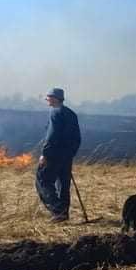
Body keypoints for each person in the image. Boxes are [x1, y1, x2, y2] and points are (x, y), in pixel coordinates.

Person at [36, 88, 82, 222]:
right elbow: (77, 137)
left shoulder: (55, 112)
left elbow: (52, 136)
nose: (47, 100)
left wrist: (45, 154)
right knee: (63, 184)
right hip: (66, 156)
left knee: (43, 180)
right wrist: (70, 154)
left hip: (54, 155)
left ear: (55, 98)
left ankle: (57, 211)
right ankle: (64, 214)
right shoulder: (71, 113)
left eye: (49, 97)